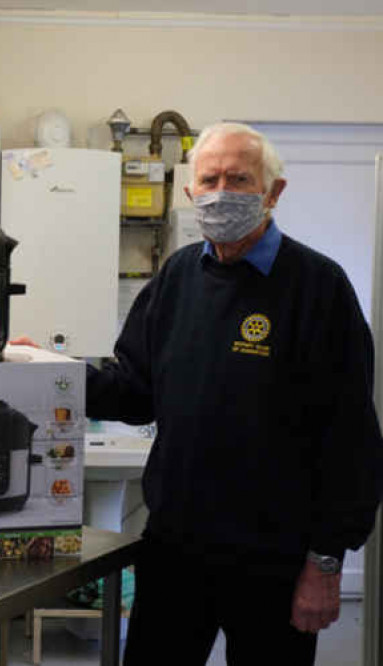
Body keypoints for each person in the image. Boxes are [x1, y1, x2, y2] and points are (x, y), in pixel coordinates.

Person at [86, 122, 383, 665]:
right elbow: (132, 391)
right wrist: (47, 373)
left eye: (240, 179)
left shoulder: (320, 288)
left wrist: (325, 564)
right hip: (177, 552)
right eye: (211, 178)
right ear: (190, 192)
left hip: (277, 561)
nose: (222, 191)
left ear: (274, 192)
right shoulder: (176, 279)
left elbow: (351, 439)